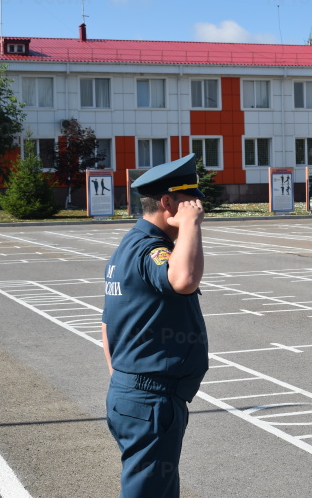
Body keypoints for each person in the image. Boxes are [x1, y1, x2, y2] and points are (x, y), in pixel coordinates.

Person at [102, 153, 208, 497]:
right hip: (150, 398)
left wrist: (125, 380)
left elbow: (108, 324)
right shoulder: (152, 250)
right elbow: (183, 279)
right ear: (167, 202)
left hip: (134, 392)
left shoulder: (127, 247)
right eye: (190, 202)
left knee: (157, 489)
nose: (197, 209)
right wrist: (191, 225)